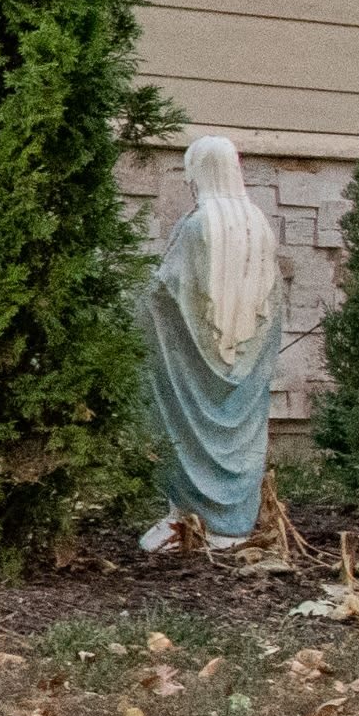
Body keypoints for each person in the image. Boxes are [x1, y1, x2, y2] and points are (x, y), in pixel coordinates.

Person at [138, 135, 282, 548]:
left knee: (184, 426)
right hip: (248, 358)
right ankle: (233, 525)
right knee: (242, 430)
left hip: (193, 366)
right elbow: (273, 304)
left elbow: (164, 295)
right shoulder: (259, 224)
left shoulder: (198, 225)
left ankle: (189, 519)